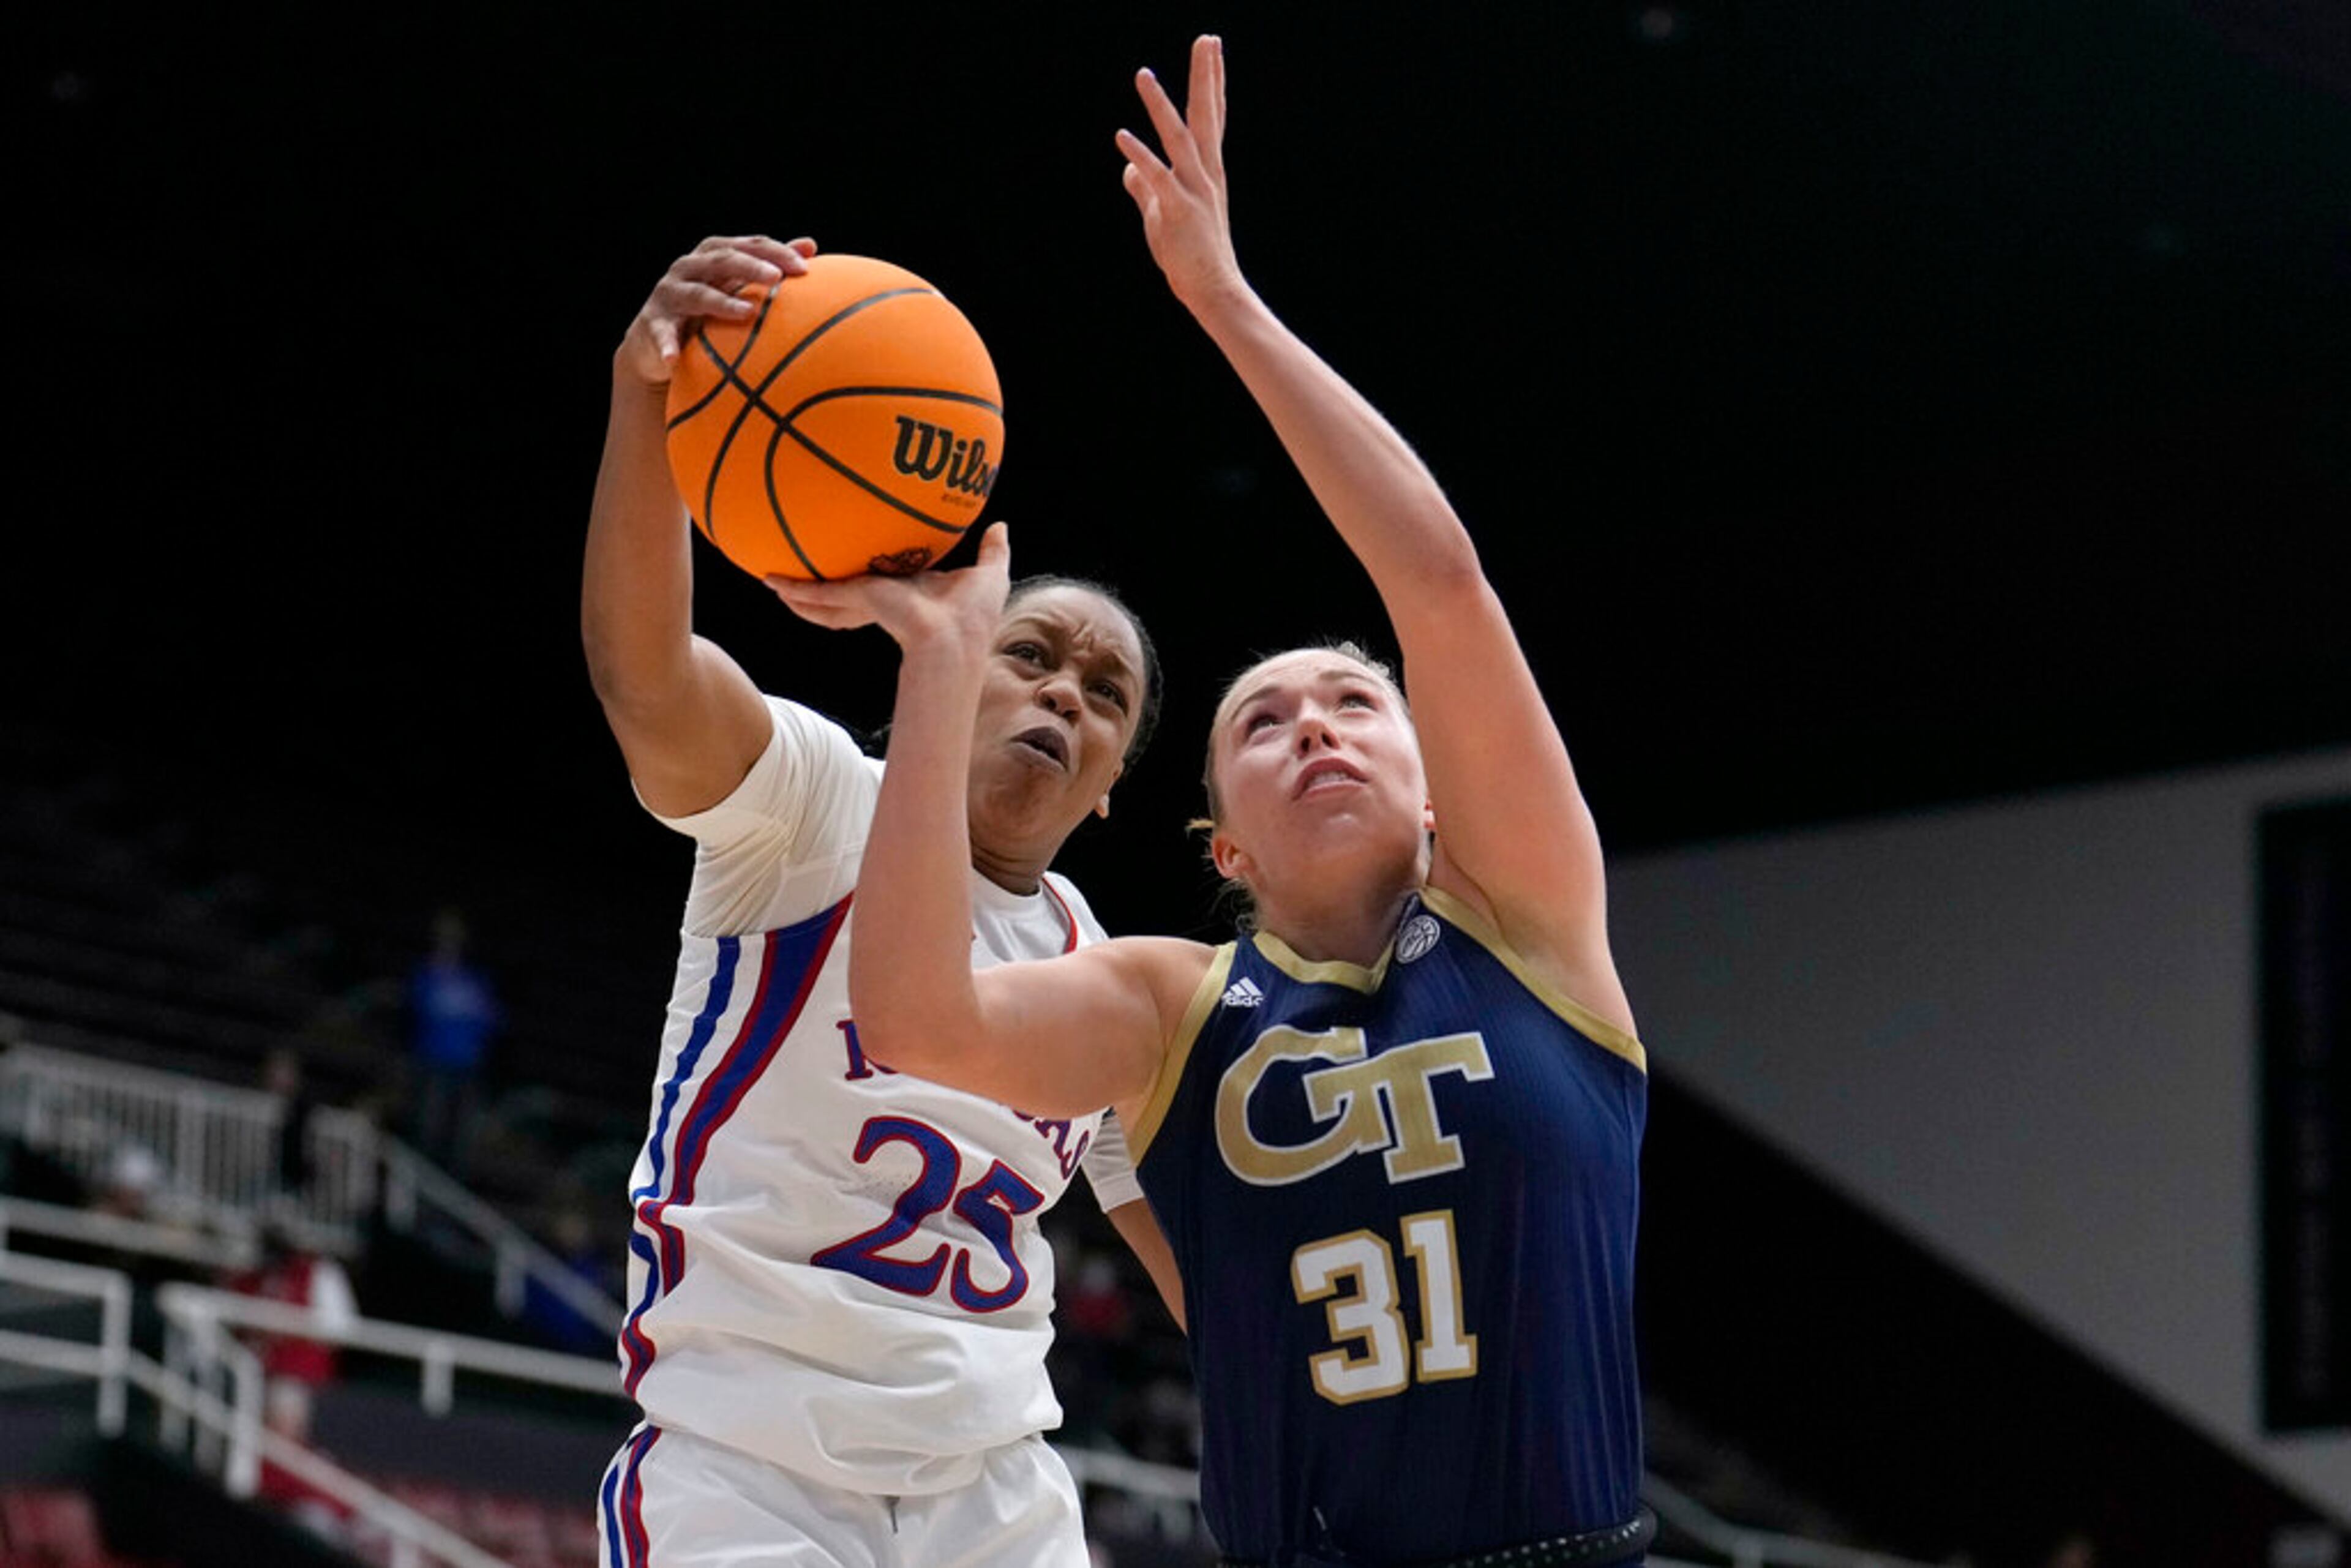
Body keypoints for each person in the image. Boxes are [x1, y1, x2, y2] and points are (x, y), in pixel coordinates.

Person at [787, 36, 1653, 1568]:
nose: (1315, 722)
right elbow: (914, 1022)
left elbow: (1440, 586)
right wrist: (937, 667)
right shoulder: (1169, 1011)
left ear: (1436, 797)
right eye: (1264, 719)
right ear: (1225, 846)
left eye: (1356, 704)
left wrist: (1225, 302)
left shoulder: (1532, 928)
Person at [581, 233, 1180, 1567]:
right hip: (750, 1462)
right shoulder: (813, 800)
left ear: (1108, 793)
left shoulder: (1103, 973)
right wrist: (644, 400)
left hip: (994, 1488)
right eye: (1030, 653)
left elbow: (1211, 1275)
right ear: (947, 665)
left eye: (1106, 694)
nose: (1066, 692)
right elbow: (645, 679)